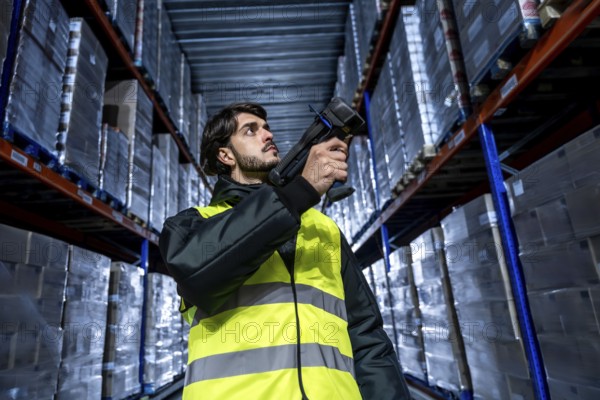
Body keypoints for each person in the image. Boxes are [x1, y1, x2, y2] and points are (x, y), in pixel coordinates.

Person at [159, 102, 410, 399]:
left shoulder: (323, 228)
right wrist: (300, 191)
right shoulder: (193, 225)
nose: (268, 135)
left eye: (267, 128)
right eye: (250, 130)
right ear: (225, 155)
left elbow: (366, 335)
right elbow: (196, 274)